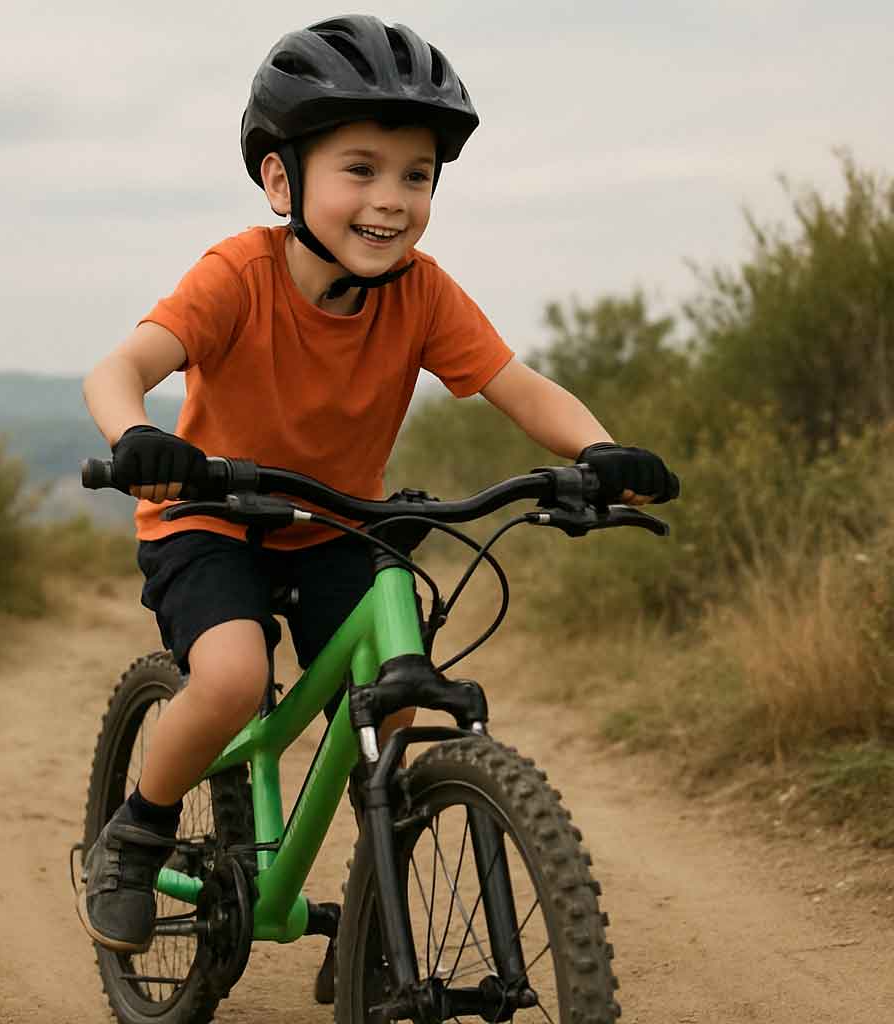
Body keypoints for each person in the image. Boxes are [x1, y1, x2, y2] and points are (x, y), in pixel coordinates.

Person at [76, 14, 679, 959]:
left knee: (395, 705)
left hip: (332, 526)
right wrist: (140, 435)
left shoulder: (422, 292)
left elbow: (516, 388)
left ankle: (375, 908)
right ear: (283, 178)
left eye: (417, 175)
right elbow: (117, 369)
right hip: (211, 516)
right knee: (233, 677)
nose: (391, 200)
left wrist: (603, 451)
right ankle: (137, 832)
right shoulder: (238, 275)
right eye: (360, 169)